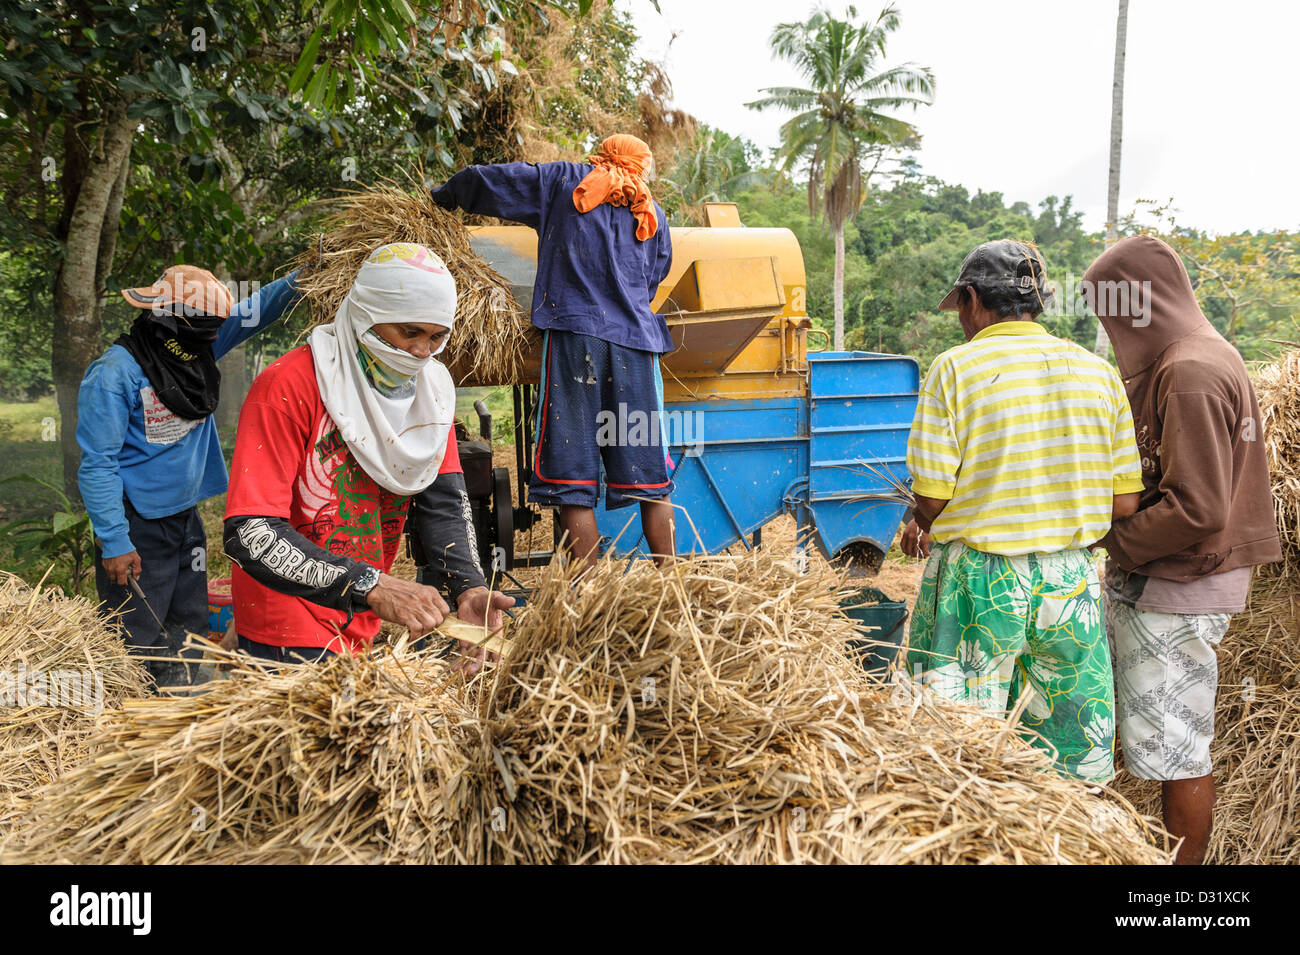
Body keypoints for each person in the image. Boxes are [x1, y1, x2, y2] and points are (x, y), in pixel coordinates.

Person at [900, 239, 1145, 782]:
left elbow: (934, 496)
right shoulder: (1097, 373)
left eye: (960, 308)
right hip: (1071, 582)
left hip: (979, 580)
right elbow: (1124, 500)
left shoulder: (954, 369)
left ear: (970, 299)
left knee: (952, 745)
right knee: (1068, 751)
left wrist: (920, 520)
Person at [1085, 234, 1281, 864]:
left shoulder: (1188, 372)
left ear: (1142, 303)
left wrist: (1109, 538)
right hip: (1178, 579)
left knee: (1179, 750)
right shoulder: (1202, 354)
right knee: (1170, 742)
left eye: (1113, 312)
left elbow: (1198, 507)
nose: (1111, 330)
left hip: (1180, 585)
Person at [223, 243, 513, 667]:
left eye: (436, 337)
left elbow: (444, 503)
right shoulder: (288, 386)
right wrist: (373, 586)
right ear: (365, 318)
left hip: (359, 615)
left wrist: (469, 587)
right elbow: (250, 532)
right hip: (287, 623)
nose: (420, 352)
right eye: (408, 332)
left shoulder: (430, 394)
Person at [431, 134, 676, 569]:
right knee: (650, 480)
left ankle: (588, 604)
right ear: (641, 167)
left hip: (575, 344)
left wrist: (443, 198)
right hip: (637, 351)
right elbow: (652, 279)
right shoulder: (651, 212)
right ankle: (675, 590)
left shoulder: (565, 181)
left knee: (572, 477)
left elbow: (491, 181)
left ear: (601, 155)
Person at [77, 265, 301, 687]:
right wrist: (115, 540)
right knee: (138, 632)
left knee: (190, 620)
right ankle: (135, 718)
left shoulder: (193, 349)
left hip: (185, 519)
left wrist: (307, 274)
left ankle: (182, 701)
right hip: (136, 523)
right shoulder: (113, 375)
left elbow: (258, 309)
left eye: (217, 329)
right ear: (168, 319)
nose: (217, 337)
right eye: (207, 330)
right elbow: (98, 464)